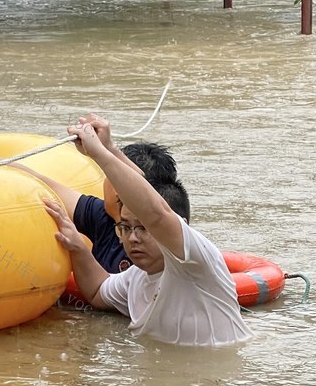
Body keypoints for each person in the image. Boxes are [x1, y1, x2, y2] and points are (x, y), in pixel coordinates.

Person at [43, 115, 253, 347]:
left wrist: (101, 154)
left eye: (143, 229)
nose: (133, 238)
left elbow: (157, 213)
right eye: (125, 227)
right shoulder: (135, 279)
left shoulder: (196, 261)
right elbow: (96, 292)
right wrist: (78, 247)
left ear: (180, 224)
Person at [0, 117, 177, 273]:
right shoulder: (102, 216)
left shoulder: (171, 241)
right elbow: (38, 181)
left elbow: (150, 202)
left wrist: (108, 150)